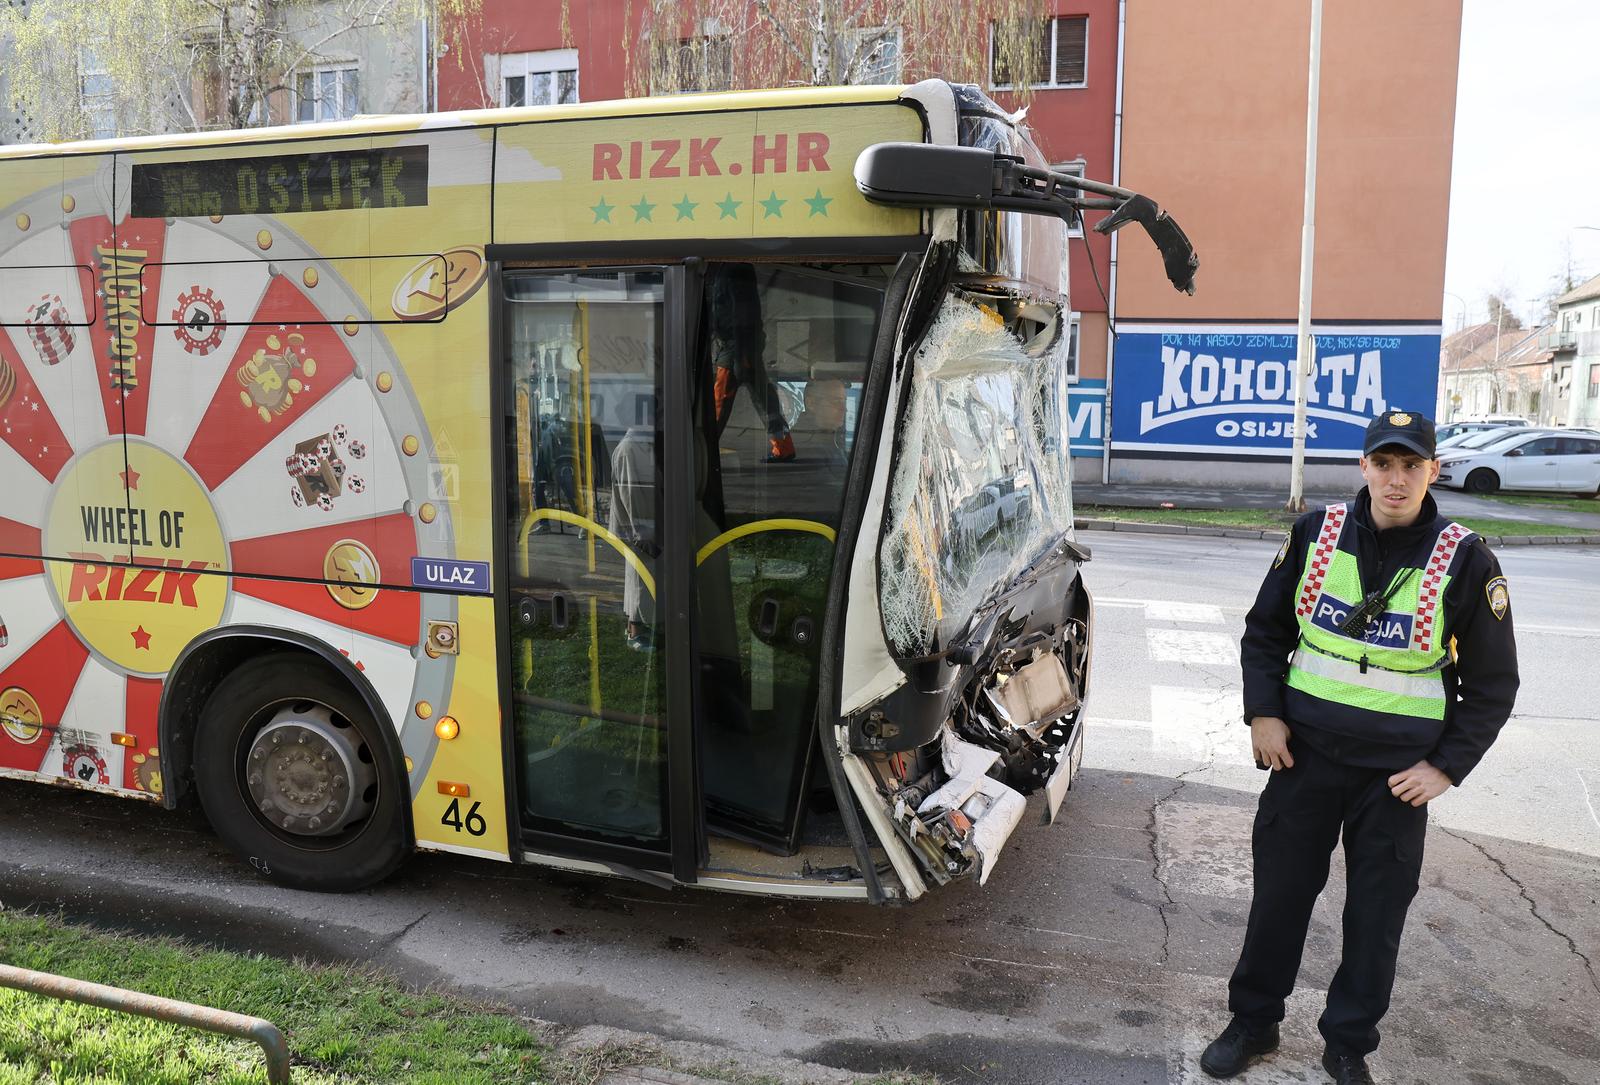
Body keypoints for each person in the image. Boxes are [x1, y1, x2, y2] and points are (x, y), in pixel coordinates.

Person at [1201, 410, 1519, 1085]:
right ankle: (1253, 1023)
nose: (1396, 479)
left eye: (1411, 465)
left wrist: (1445, 766)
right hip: (1303, 759)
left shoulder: (1466, 559)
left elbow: (1493, 684)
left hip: (1397, 778)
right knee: (1279, 900)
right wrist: (1264, 714)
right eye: (1384, 463)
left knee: (1374, 921)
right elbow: (1265, 634)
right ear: (1364, 466)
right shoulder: (1316, 533)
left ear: (1433, 470)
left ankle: (1347, 1045)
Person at [706, 263, 795, 463]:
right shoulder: (727, 267)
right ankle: (783, 446)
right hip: (742, 343)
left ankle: (704, 450)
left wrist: (740, 355)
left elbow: (741, 312)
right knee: (763, 398)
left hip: (736, 345)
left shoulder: (731, 268)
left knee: (720, 398)